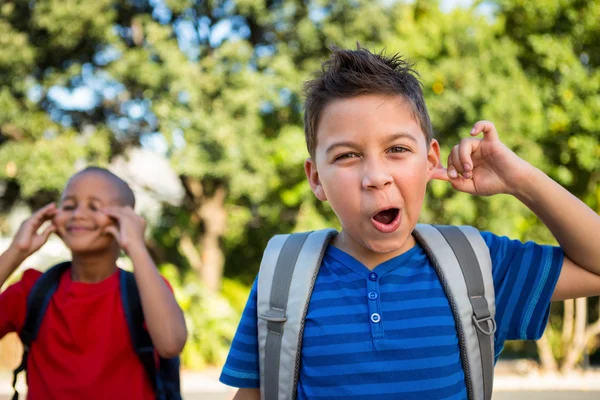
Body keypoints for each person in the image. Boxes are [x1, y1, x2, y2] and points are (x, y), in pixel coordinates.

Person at [219, 47, 600, 399]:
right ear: (316, 178)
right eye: (348, 155)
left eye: (397, 150)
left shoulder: (478, 264)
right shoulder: (285, 275)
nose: (376, 176)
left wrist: (522, 181)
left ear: (431, 160)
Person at [0, 166, 187, 399]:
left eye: (95, 206)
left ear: (126, 220)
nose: (78, 214)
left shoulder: (145, 290)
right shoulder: (33, 289)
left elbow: (171, 344)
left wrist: (136, 246)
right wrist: (15, 252)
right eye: (68, 206)